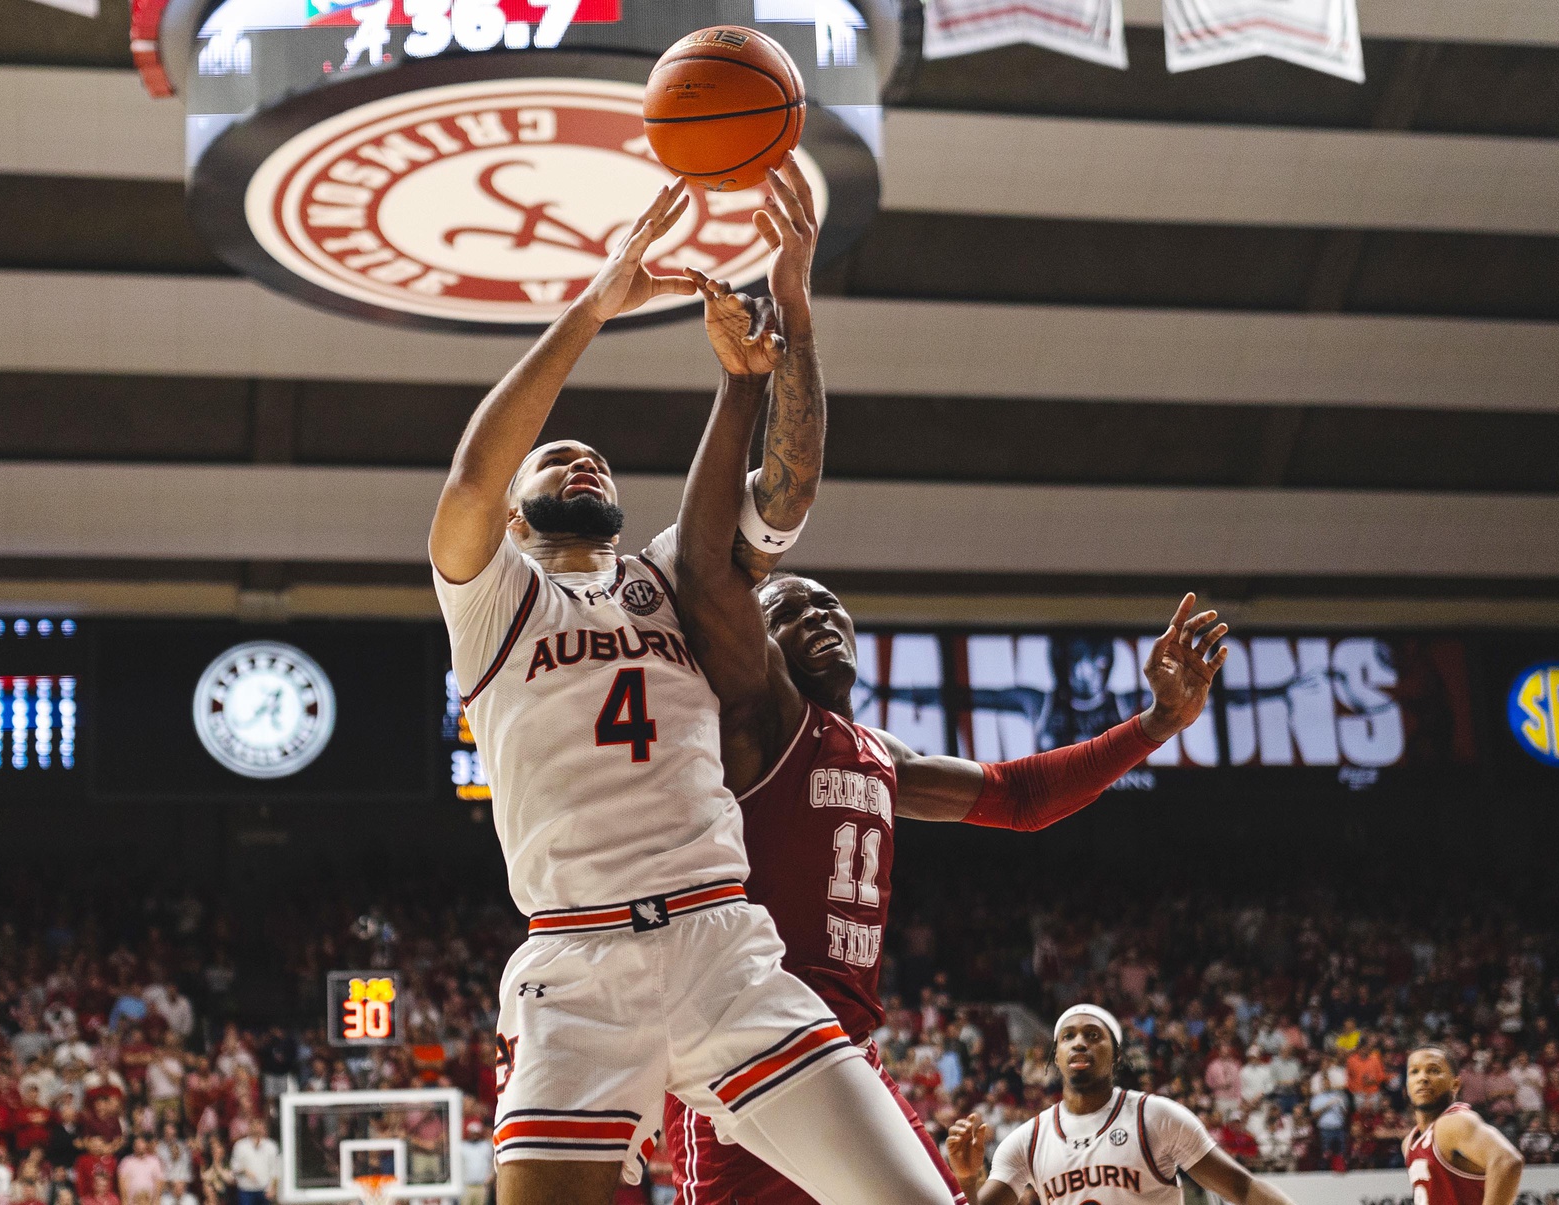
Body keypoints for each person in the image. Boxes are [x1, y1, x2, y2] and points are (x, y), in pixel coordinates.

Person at [428, 171, 956, 1205]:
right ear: (520, 519)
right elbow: (466, 485)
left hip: (723, 944)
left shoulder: (669, 577)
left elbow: (784, 485)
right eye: (556, 458)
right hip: (575, 963)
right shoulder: (491, 598)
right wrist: (594, 305)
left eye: (592, 456)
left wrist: (785, 326)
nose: (579, 458)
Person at [662, 247, 1232, 1200]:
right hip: (742, 1053)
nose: (828, 617)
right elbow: (715, 559)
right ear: (754, 642)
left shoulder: (878, 755)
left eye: (838, 609)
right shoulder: (752, 716)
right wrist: (755, 372)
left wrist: (1155, 724)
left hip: (843, 1055)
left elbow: (1018, 797)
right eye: (799, 608)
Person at [948, 1008, 1303, 1205]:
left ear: (1117, 1054)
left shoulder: (1157, 1117)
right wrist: (965, 1177)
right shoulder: (1027, 1138)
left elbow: (1242, 1188)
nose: (1079, 1043)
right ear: (1055, 1056)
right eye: (1068, 1037)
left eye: (1093, 1034)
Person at [1402, 1046, 1523, 1205]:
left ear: (1455, 1084)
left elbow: (1507, 1161)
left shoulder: (1454, 1122)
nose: (1422, 1077)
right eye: (1414, 1071)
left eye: (1433, 1070)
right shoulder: (1409, 1142)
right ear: (1407, 1085)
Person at [227, 1120, 275, 1205]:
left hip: (264, 1190)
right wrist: (244, 1170)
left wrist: (273, 1188)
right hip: (246, 1190)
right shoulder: (240, 1146)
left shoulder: (270, 1146)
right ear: (250, 1128)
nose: (257, 1129)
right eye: (255, 1126)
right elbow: (234, 1166)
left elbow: (275, 1169)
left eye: (260, 1126)